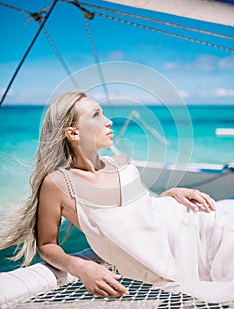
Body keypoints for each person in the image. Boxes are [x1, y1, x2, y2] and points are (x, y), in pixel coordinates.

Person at [0, 90, 233, 302]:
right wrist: (80, 267)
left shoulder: (121, 163)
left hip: (199, 225)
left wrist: (170, 195)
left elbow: (144, 212)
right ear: (73, 133)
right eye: (96, 115)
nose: (108, 121)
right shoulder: (58, 184)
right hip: (176, 258)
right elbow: (47, 245)